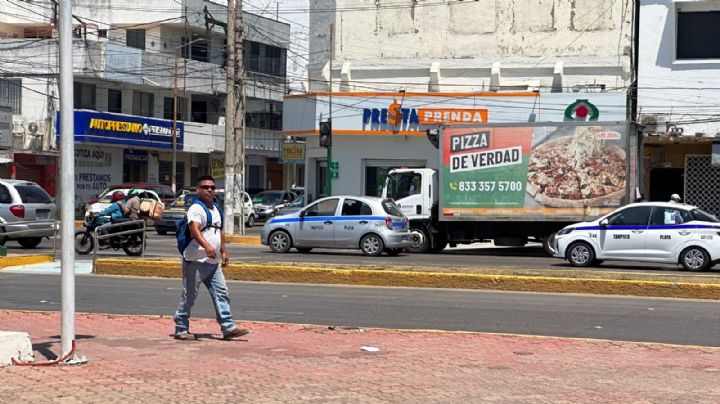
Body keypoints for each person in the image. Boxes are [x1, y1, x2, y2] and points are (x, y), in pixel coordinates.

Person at [173, 175, 249, 341]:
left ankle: (228, 327)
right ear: (198, 190)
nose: (209, 190)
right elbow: (195, 229)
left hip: (213, 263)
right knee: (190, 296)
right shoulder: (196, 208)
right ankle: (180, 327)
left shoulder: (216, 208)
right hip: (196, 261)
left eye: (212, 188)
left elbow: (219, 231)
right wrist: (207, 246)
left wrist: (223, 251)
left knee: (222, 293)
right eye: (205, 187)